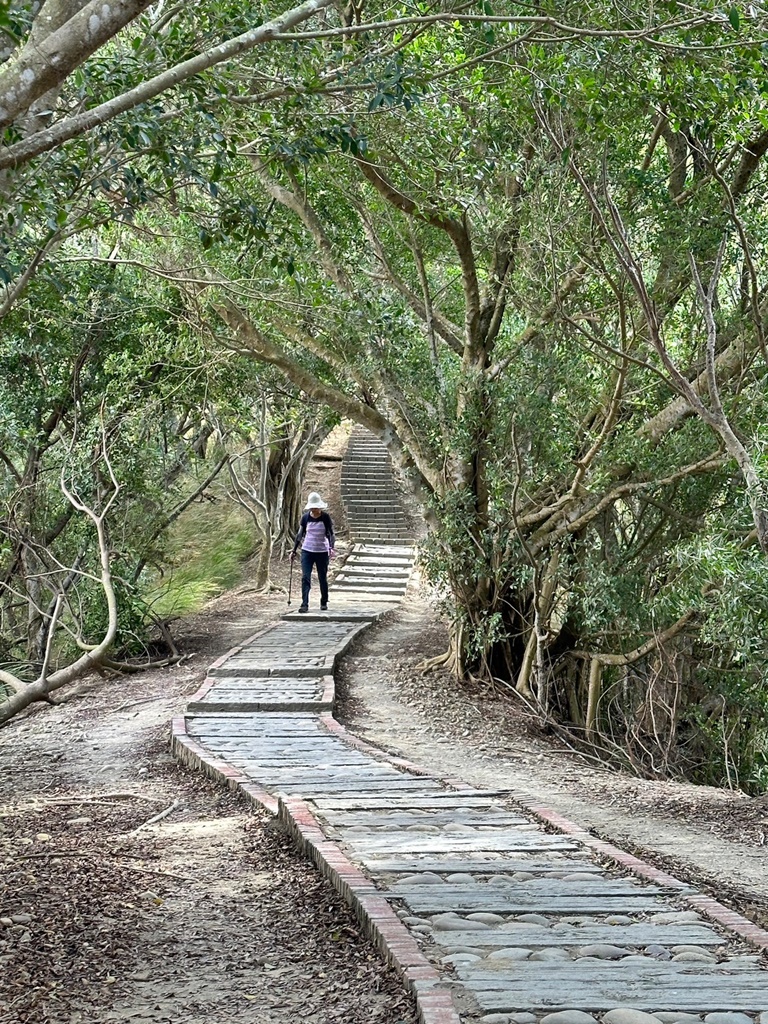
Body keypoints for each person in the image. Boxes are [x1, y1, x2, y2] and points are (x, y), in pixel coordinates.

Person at [291, 492, 336, 613]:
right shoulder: (305, 517)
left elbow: (331, 534)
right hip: (307, 551)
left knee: (322, 577)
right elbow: (300, 534)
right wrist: (294, 550)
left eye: (315, 507)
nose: (313, 509)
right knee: (306, 577)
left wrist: (332, 547)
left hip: (321, 551)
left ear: (319, 507)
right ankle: (304, 604)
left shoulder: (325, 517)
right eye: (312, 507)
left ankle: (324, 601)